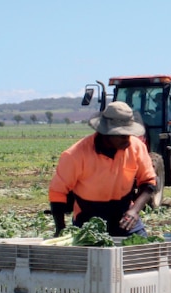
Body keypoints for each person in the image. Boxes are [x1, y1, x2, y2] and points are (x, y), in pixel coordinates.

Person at [49, 101, 158, 237]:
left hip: (124, 216)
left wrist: (134, 211)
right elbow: (57, 193)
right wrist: (60, 229)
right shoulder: (75, 155)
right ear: (106, 133)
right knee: (91, 257)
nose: (128, 140)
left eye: (129, 134)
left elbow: (149, 183)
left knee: (141, 252)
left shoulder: (136, 148)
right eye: (122, 135)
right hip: (88, 218)